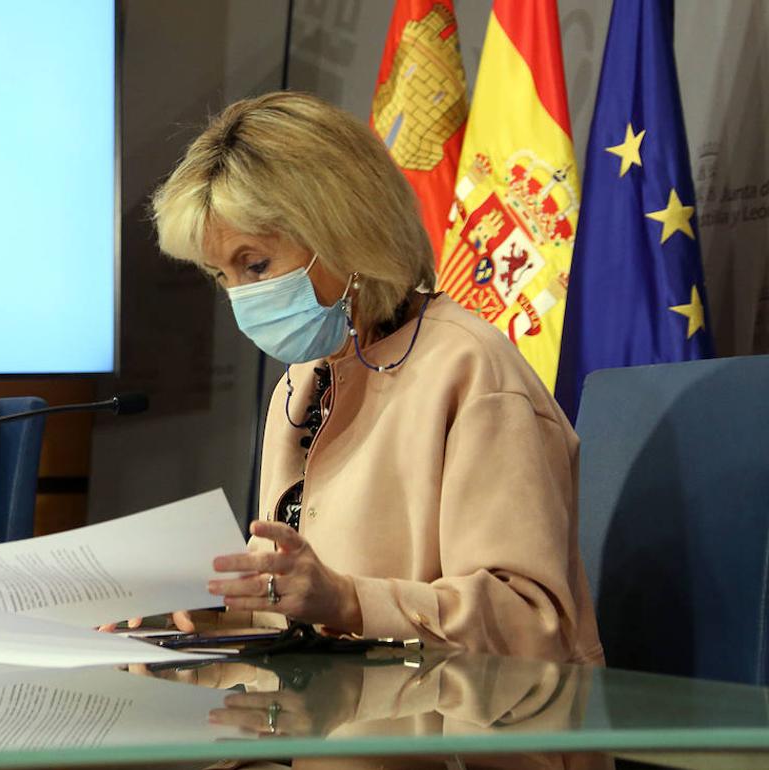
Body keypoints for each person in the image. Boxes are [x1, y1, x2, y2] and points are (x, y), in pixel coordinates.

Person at [148, 92, 603, 663]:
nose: (242, 297)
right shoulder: (302, 382)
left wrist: (346, 600)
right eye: (223, 275)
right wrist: (218, 613)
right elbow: (302, 611)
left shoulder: (472, 370)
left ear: (345, 230)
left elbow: (531, 625)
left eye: (255, 264)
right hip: (316, 730)